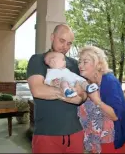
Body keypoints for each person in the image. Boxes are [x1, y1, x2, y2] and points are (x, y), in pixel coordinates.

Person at [26, 24, 87, 153]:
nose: (65, 47)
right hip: (47, 134)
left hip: (75, 133)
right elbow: (38, 90)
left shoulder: (75, 64)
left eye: (69, 43)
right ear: (52, 37)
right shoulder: (38, 60)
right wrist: (68, 95)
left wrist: (80, 97)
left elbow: (84, 93)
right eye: (62, 41)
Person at [77, 46, 125, 153]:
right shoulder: (88, 83)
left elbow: (115, 115)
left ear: (98, 64)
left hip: (112, 143)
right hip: (97, 143)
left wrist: (97, 101)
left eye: (85, 61)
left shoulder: (108, 81)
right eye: (80, 61)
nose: (80, 65)